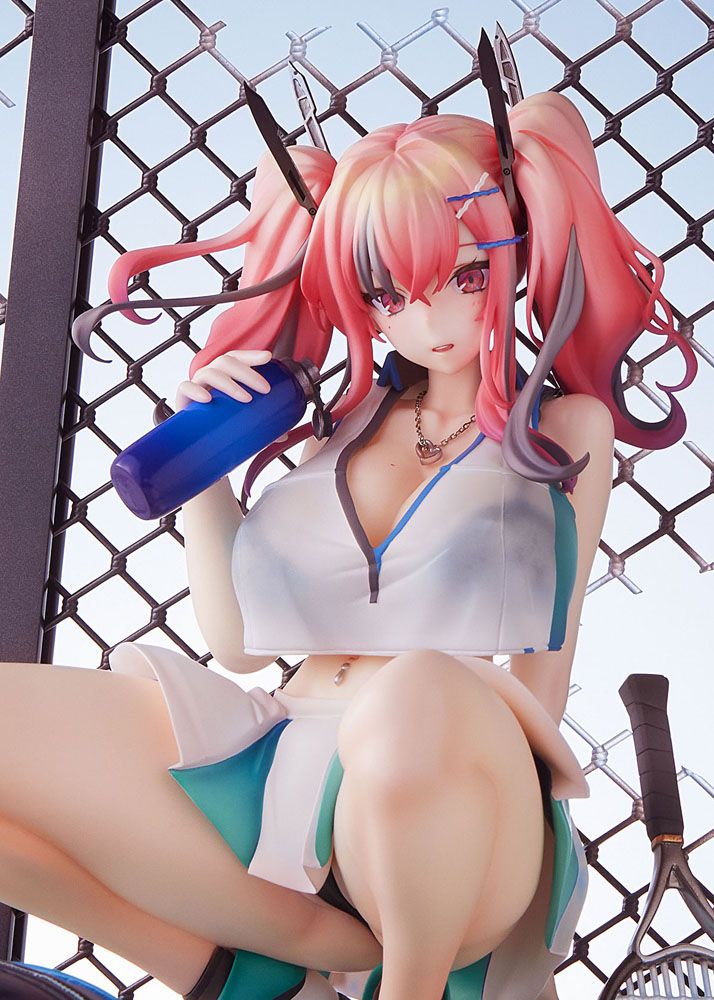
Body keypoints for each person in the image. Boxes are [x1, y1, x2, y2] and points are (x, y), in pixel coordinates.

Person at [0, 91, 695, 1000]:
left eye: (465, 275)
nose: (428, 317)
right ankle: (257, 966)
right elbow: (239, 646)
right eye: (388, 293)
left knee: (418, 688)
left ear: (515, 253)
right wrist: (204, 461)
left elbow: (542, 686)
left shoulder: (564, 430)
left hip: (454, 787)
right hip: (278, 754)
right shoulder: (335, 425)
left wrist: (486, 768)